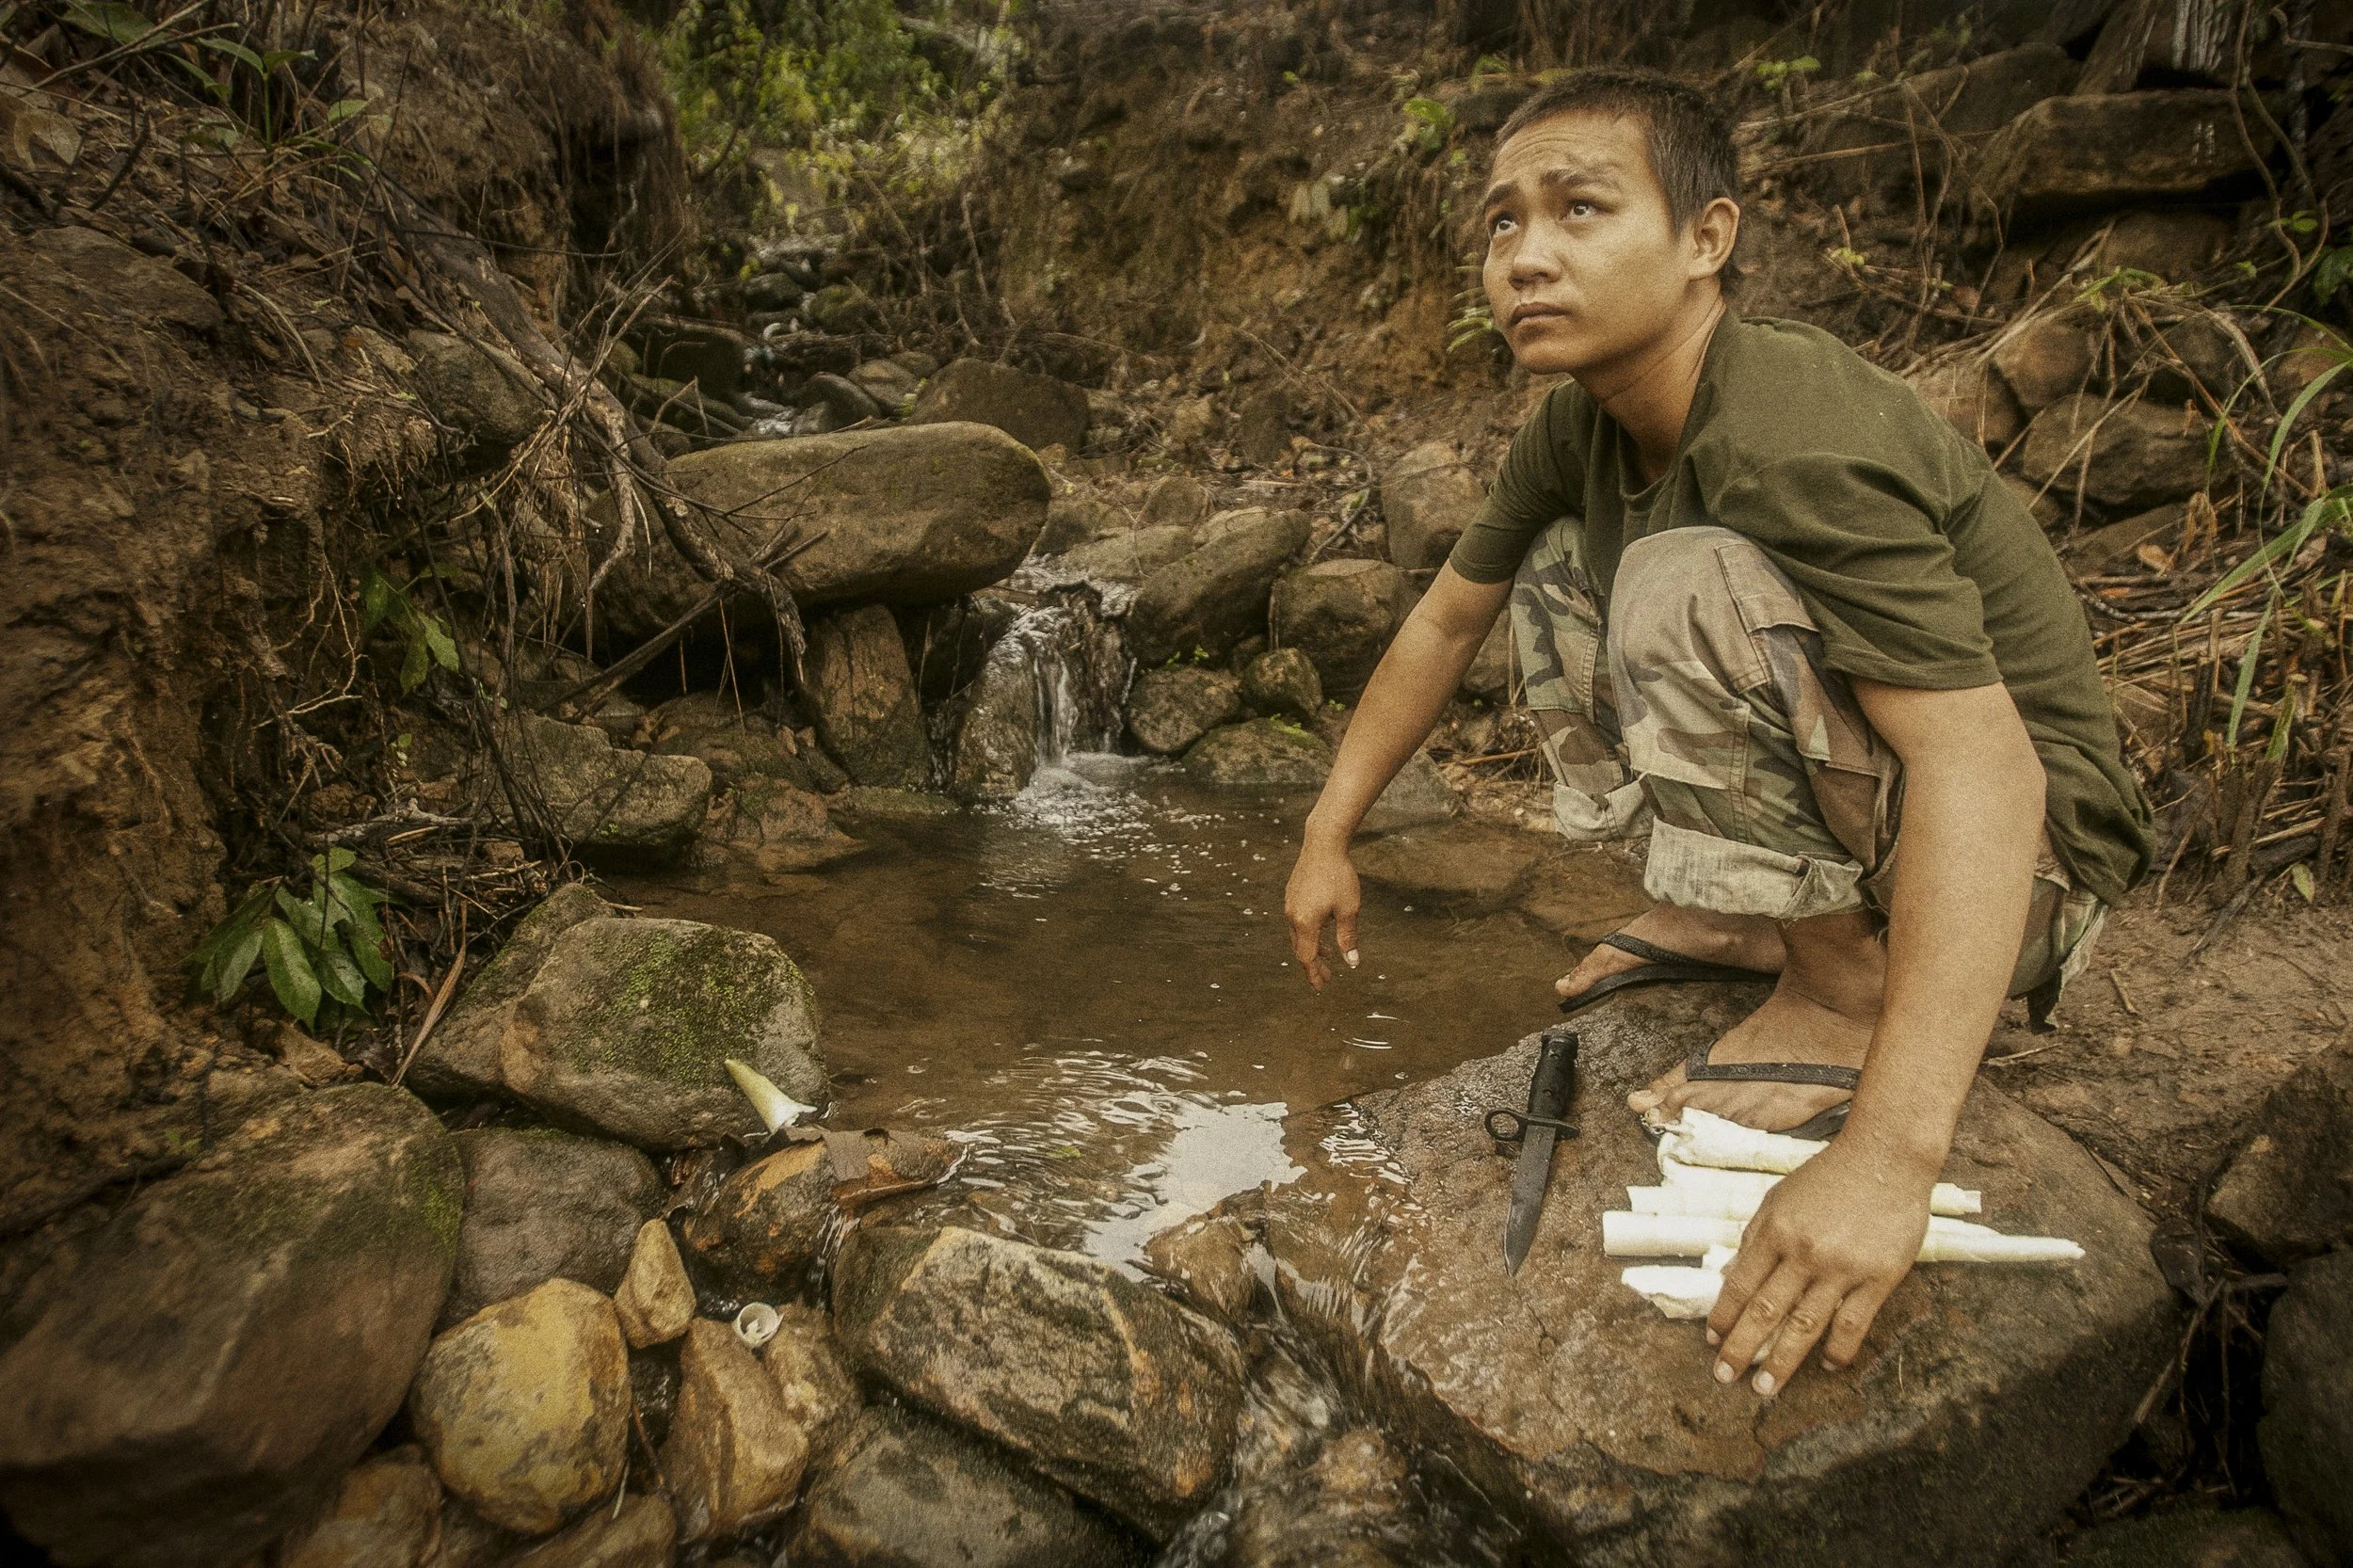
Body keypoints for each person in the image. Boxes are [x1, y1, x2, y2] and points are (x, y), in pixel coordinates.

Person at [1282, 68, 2150, 1400]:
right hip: (1885, 809)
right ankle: (1763, 920)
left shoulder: (1787, 430)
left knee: (1678, 583)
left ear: (1707, 240)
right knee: (1561, 574)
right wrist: (1328, 829)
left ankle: (1844, 983)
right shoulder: (1577, 424)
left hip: (2031, 878)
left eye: (1581, 208)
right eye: (1504, 223)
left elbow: (1990, 764)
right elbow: (1444, 626)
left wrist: (1885, 1159)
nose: (1528, 256)